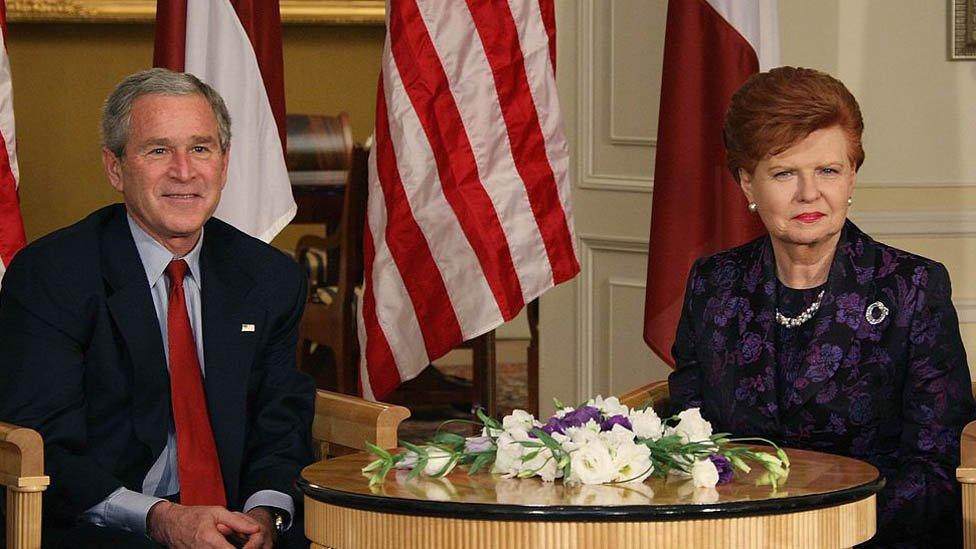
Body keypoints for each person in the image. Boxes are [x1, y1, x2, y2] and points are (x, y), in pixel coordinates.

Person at [0, 68, 314, 548]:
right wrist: (162, 518)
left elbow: (281, 423)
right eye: (158, 150)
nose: (184, 172)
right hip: (105, 524)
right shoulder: (52, 275)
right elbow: (46, 448)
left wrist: (265, 514)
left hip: (240, 522)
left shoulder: (269, 277)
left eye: (201, 149)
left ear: (224, 164)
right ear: (115, 168)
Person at [668, 66, 975, 547]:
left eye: (828, 170)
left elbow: (934, 471)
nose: (809, 193)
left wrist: (812, 534)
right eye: (784, 172)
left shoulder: (911, 287)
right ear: (748, 184)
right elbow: (691, 441)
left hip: (869, 538)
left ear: (852, 175)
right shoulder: (714, 283)